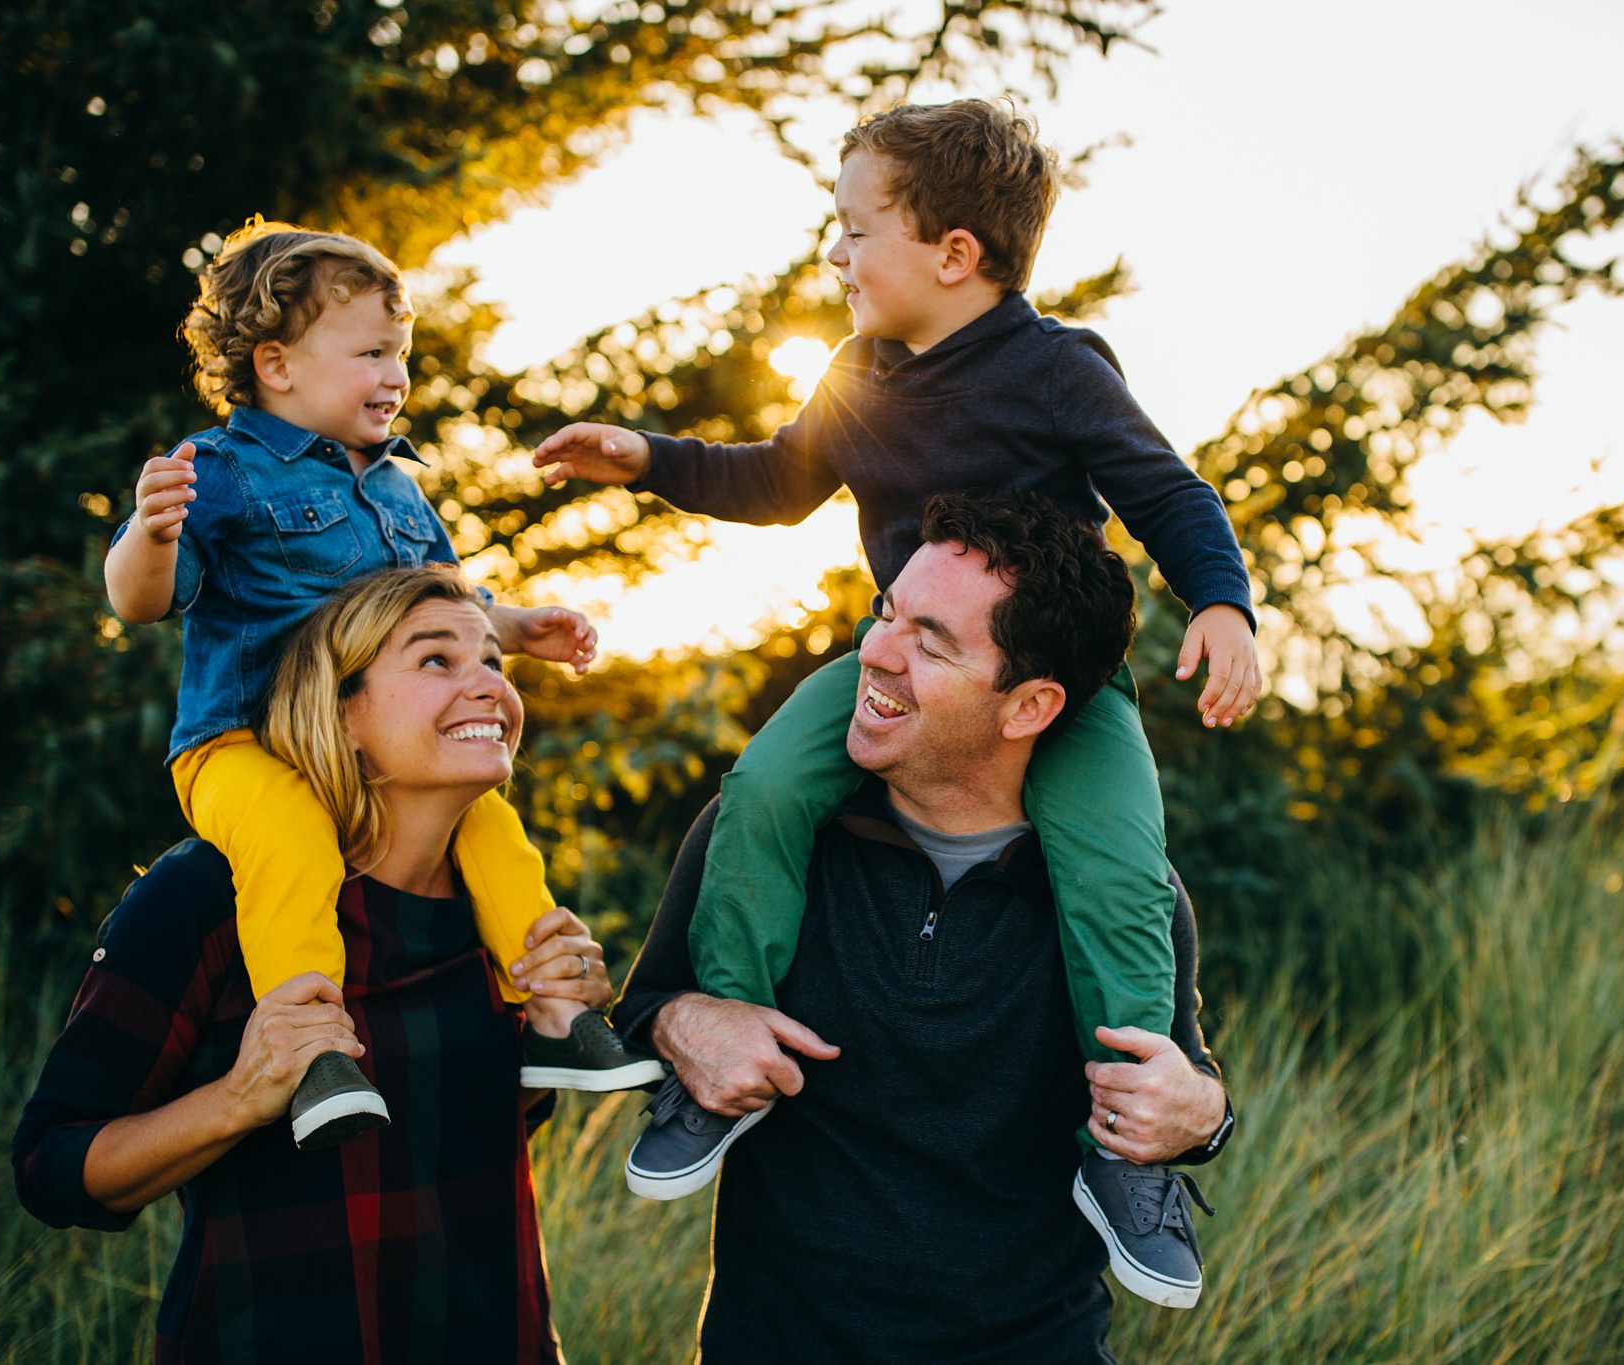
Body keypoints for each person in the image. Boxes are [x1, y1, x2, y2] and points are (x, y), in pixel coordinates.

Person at [534, 100, 1254, 1305]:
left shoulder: (1057, 369)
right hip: (891, 665)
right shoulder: (854, 373)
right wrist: (650, 459)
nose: (833, 253)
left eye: (853, 227)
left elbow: (1166, 495)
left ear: (953, 253)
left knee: (1118, 866)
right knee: (763, 787)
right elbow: (773, 481)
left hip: (1051, 688)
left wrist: (1222, 605)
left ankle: (1127, 1148)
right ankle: (715, 1056)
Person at [612, 492, 1234, 1359]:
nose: (874, 651)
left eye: (930, 642)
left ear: (1028, 708)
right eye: (886, 613)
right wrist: (688, 1019)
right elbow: (643, 1007)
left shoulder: (1128, 894)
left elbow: (1184, 1083)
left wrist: (1200, 1115)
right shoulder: (755, 833)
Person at [104, 218, 659, 1149]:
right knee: (288, 840)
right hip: (244, 743)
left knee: (491, 826)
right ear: (277, 365)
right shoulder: (225, 473)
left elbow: (443, 599)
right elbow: (140, 603)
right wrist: (148, 536)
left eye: (402, 355)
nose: (396, 376)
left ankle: (554, 1015)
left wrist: (515, 629)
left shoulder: (400, 488)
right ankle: (315, 1047)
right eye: (371, 353)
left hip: (370, 748)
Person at [15, 565, 609, 1362]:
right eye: (437, 660)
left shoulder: (506, 913)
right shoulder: (205, 897)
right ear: (343, 710)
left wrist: (548, 1036)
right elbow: (52, 1166)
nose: (489, 688)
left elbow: (475, 1132)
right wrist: (239, 1097)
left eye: (494, 664)